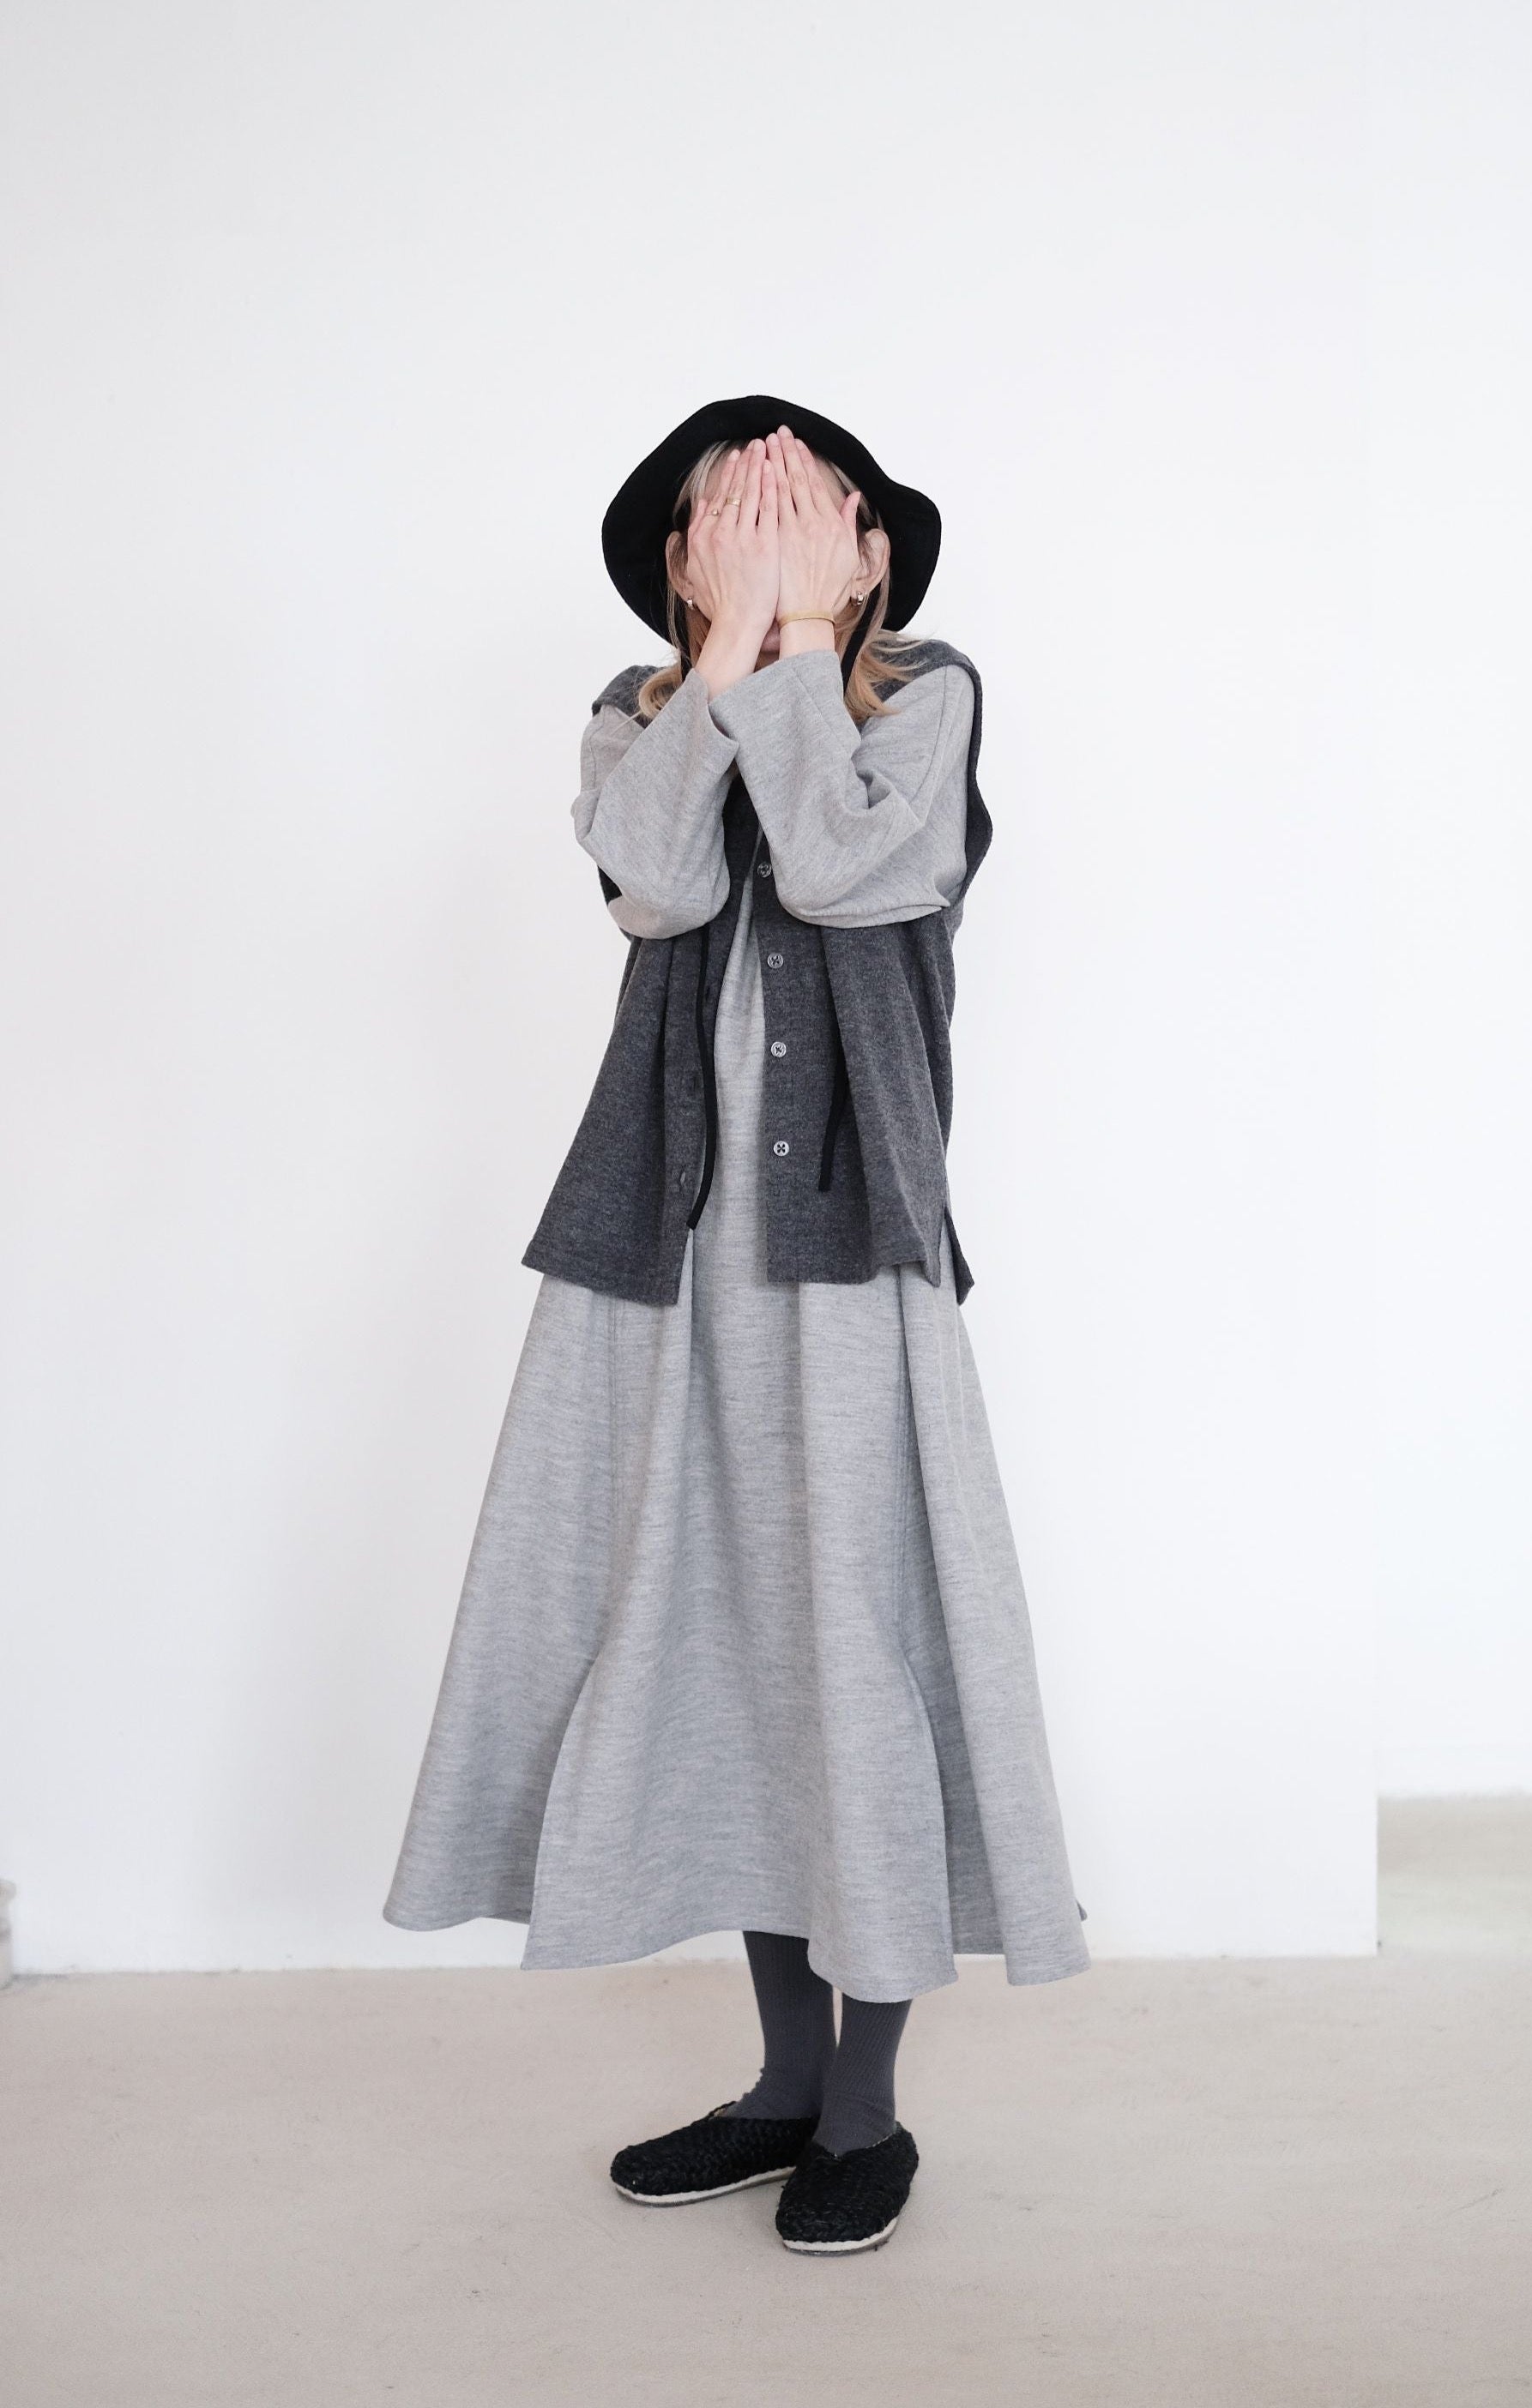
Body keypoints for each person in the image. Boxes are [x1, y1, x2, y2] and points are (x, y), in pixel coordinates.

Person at [384, 394, 1090, 2255]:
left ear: (875, 554)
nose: (771, 531)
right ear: (678, 568)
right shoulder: (639, 718)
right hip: (667, 1256)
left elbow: (852, 866)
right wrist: (720, 665)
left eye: (808, 507)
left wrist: (792, 655)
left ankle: (864, 2110)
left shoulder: (925, 702)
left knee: (853, 1648)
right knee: (728, 1650)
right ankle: (782, 2087)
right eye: (731, 515)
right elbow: (661, 882)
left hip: (851, 1255)